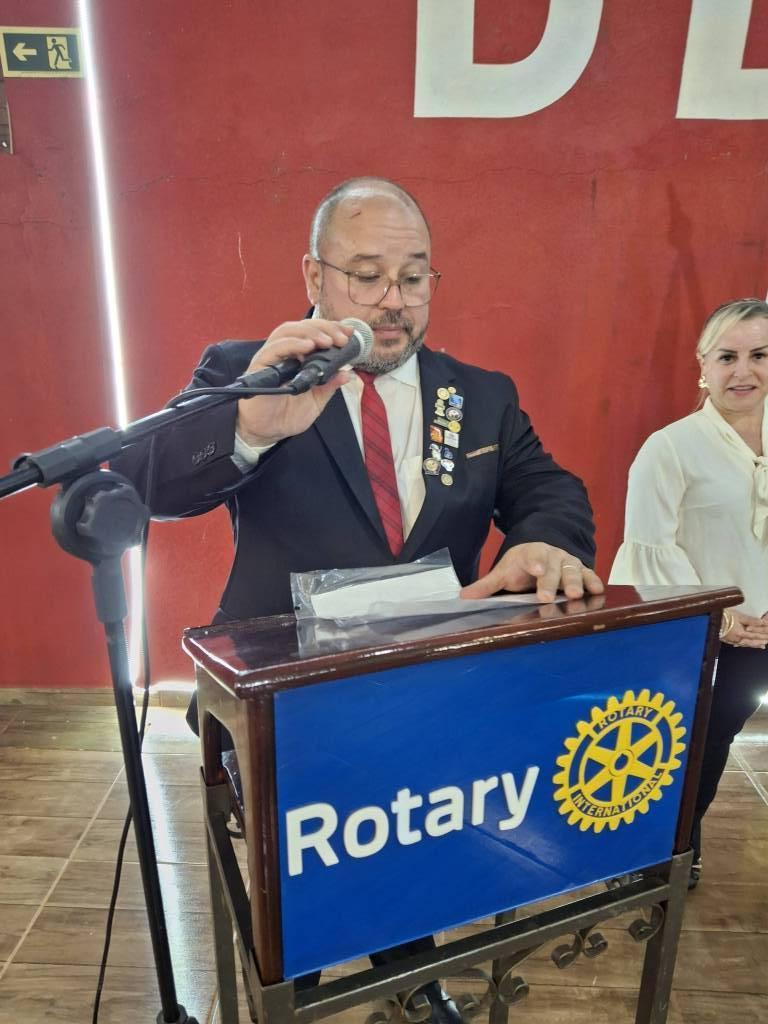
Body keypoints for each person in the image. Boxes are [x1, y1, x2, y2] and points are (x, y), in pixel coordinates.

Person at [118, 177, 602, 1022]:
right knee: (302, 875)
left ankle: (410, 981)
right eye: (367, 275)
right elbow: (147, 484)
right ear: (315, 275)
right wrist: (250, 427)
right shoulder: (251, 371)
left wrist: (545, 539)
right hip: (279, 695)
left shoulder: (480, 394)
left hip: (425, 685)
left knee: (413, 842)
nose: (393, 301)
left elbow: (549, 489)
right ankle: (290, 993)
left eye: (413, 278)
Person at [610, 297, 768, 889]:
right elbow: (651, 546)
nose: (743, 371)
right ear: (703, 365)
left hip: (763, 630)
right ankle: (653, 852)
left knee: (717, 737)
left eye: (759, 355)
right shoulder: (670, 448)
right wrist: (721, 618)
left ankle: (678, 846)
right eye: (727, 357)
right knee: (675, 744)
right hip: (690, 631)